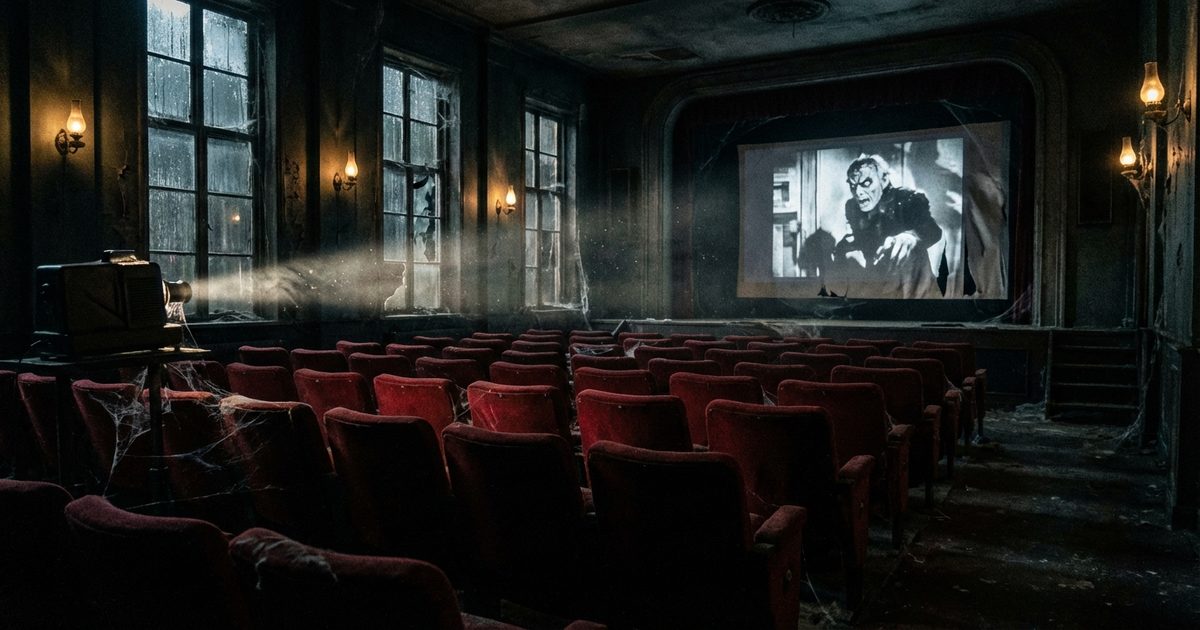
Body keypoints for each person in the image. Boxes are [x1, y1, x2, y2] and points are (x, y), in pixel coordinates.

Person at [830, 154, 943, 299]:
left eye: (866, 183)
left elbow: (933, 230)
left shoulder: (907, 199)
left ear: (883, 180)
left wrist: (911, 237)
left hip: (915, 286)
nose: (858, 192)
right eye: (853, 186)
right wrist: (845, 248)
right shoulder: (852, 207)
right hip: (878, 284)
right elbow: (857, 239)